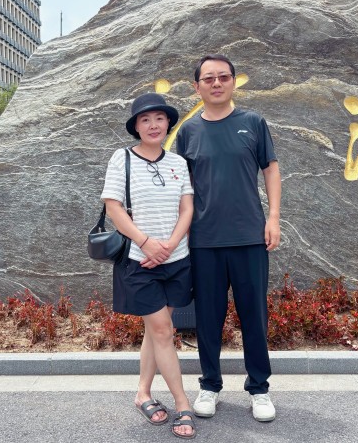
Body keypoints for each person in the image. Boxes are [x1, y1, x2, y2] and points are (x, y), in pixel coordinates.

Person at [176, 54, 282, 422]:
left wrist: (273, 217)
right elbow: (182, 188)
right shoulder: (188, 132)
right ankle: (209, 385)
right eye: (209, 79)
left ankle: (259, 389)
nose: (217, 83)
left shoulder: (252, 123)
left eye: (223, 77)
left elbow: (271, 170)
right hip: (204, 240)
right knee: (208, 318)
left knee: (254, 315)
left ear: (234, 81)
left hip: (249, 237)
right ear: (197, 87)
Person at [101, 93, 197, 439]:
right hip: (140, 262)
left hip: (177, 259)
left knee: (156, 331)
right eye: (145, 119)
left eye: (159, 118)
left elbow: (187, 208)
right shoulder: (122, 158)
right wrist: (146, 243)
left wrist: (169, 244)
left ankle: (142, 393)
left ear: (168, 123)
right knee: (162, 332)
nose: (153, 125)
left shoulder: (178, 163)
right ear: (136, 127)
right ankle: (183, 404)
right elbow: (113, 207)